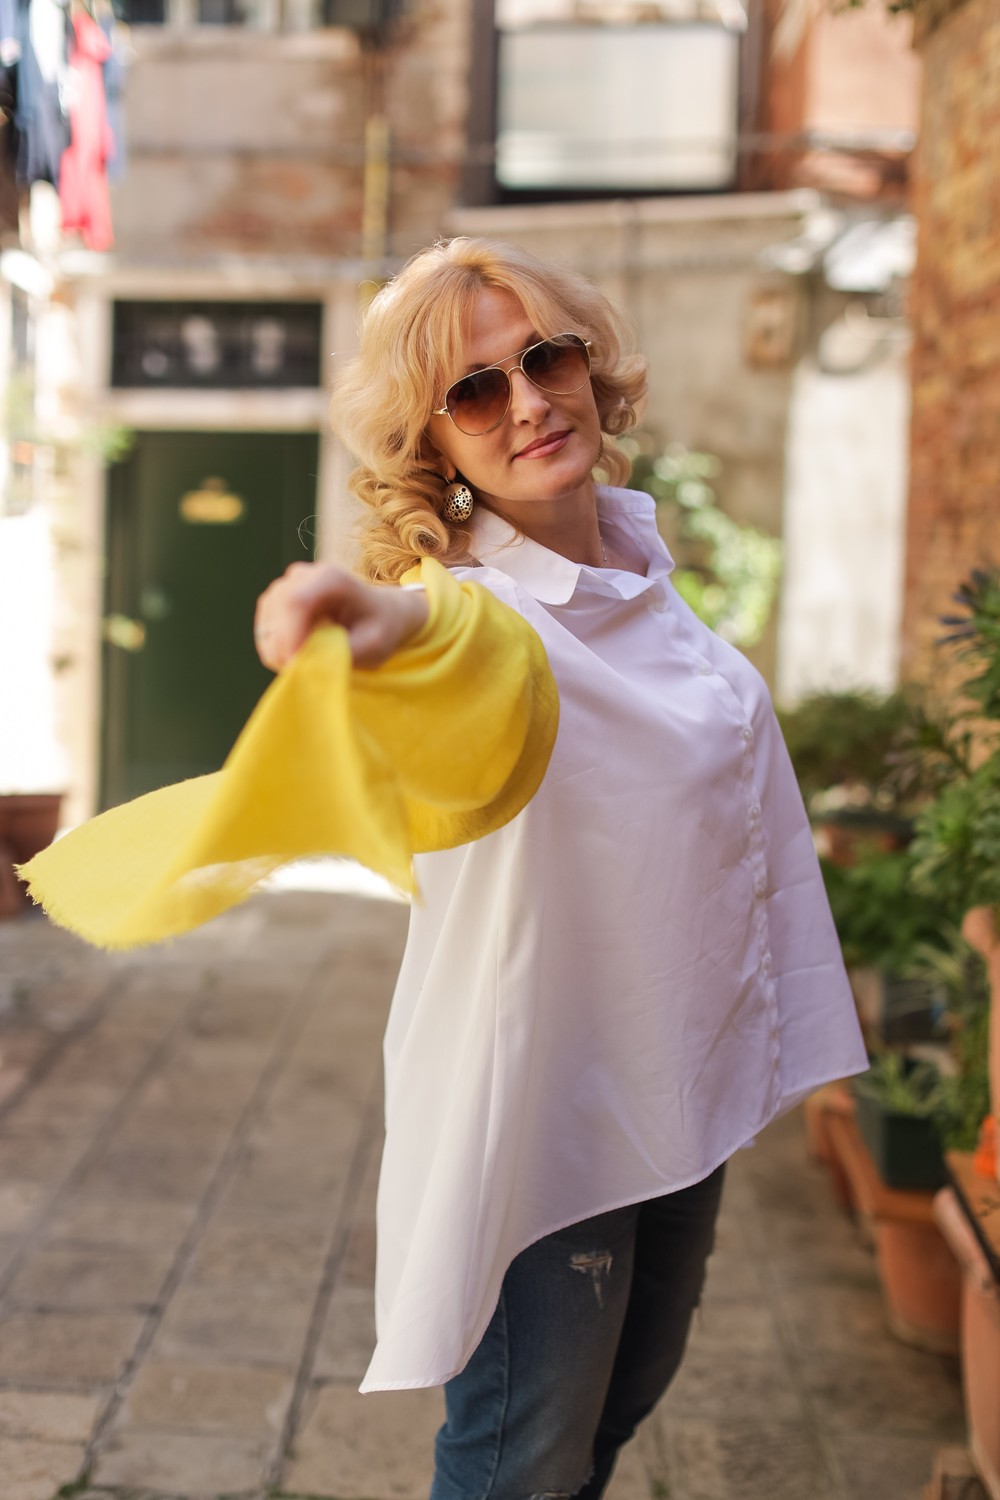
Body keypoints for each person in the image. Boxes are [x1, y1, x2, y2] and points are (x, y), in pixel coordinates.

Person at [252, 236, 868, 1500]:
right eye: (476, 390)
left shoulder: (639, 575)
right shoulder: (484, 615)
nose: (527, 401)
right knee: (515, 1468)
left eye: (546, 357)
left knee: (605, 1429)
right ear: (437, 447)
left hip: (674, 1087)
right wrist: (350, 615)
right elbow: (430, 637)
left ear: (590, 365)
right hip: (549, 1114)